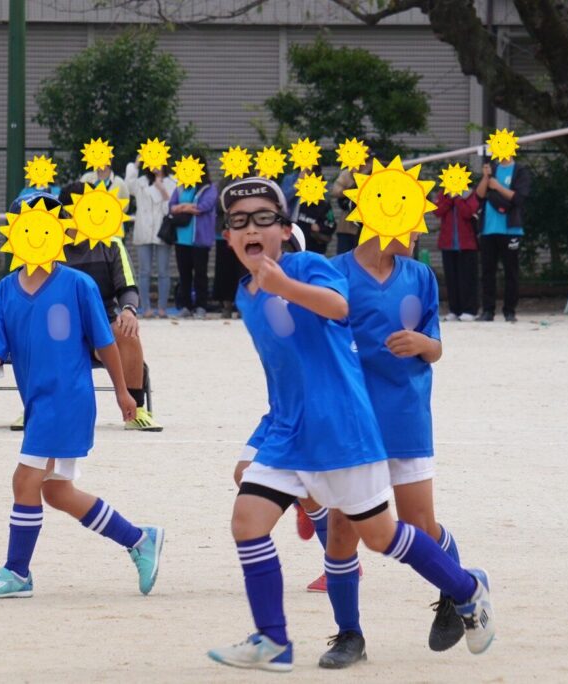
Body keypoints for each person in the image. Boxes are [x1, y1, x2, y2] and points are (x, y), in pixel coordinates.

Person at [206, 177, 494, 673]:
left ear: (284, 229)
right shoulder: (245, 293)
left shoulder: (308, 267)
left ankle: (466, 589)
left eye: (263, 219)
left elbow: (338, 307)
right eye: (239, 222)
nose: (251, 229)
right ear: (227, 237)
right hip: (290, 432)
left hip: (342, 429)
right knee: (247, 521)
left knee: (381, 536)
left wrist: (285, 286)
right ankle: (274, 640)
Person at [0, 241, 165, 599]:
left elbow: (105, 343)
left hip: (68, 398)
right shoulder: (3, 292)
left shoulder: (78, 284)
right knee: (57, 492)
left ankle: (17, 571)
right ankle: (139, 539)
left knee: (24, 479)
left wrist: (123, 391)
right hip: (37, 402)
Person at [311, 231, 470, 666]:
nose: (419, 232)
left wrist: (423, 344)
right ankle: (349, 635)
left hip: (406, 414)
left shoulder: (420, 276)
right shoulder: (334, 274)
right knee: (342, 528)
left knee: (421, 525)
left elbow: (435, 346)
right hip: (352, 422)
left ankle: (457, 594)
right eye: (412, 221)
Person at [54, 185, 162, 432]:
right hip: (61, 325)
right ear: (67, 213)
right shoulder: (50, 243)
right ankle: (34, 408)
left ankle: (136, 411)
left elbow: (128, 286)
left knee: (127, 330)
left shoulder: (112, 243)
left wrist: (129, 310)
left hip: (102, 324)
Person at [478, 155, 531, 323]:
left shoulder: (520, 171)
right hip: (488, 229)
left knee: (511, 271)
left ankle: (509, 310)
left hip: (510, 228)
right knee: (487, 271)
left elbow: (519, 198)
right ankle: (488, 310)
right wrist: (486, 177)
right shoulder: (492, 169)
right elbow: (479, 195)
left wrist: (498, 187)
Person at [167, 157, 217, 319]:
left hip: (200, 239)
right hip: (181, 239)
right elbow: (171, 206)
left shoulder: (208, 188)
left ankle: (201, 306)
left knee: (200, 274)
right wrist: (186, 207)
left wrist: (182, 207)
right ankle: (186, 306)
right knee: (184, 274)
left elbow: (204, 206)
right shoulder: (180, 187)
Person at [125, 161, 176, 318]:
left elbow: (171, 207)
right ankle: (145, 307)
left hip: (163, 231)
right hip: (144, 229)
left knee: (163, 271)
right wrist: (136, 164)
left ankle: (162, 308)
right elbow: (128, 184)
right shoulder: (141, 182)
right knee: (144, 271)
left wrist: (161, 189)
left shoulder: (172, 182)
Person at [435, 179, 483, 321]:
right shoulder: (444, 194)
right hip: (448, 244)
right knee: (451, 278)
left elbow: (468, 212)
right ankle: (454, 310)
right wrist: (450, 198)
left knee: (468, 278)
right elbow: (437, 211)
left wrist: (457, 198)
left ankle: (470, 310)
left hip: (467, 244)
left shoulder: (470, 194)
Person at [290, 166, 337, 255]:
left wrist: (320, 227)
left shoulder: (324, 205)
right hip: (298, 248)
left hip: (316, 250)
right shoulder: (299, 203)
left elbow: (331, 225)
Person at [330, 160, 370, 254]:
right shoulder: (347, 174)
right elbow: (335, 191)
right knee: (343, 255)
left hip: (367, 229)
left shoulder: (375, 174)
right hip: (347, 227)